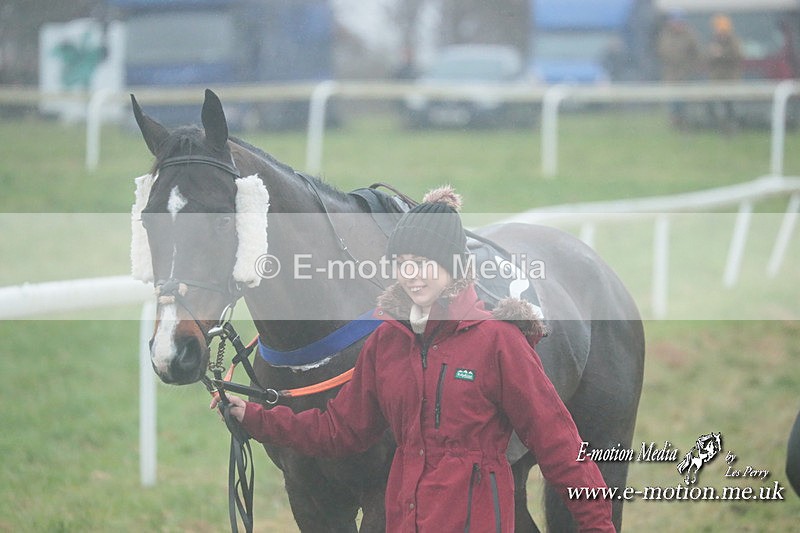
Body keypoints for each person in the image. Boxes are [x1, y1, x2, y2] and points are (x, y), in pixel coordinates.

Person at [213, 186, 614, 532]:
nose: (413, 276)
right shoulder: (387, 343)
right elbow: (339, 431)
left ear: (454, 265)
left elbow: (561, 447)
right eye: (404, 263)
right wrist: (254, 416)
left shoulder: (499, 342)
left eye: (424, 263)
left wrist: (597, 525)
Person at [657, 10, 701, 129]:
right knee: (673, 101)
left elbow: (696, 52)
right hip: (671, 75)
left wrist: (690, 65)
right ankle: (675, 123)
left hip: (685, 75)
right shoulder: (666, 35)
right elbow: (663, 52)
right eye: (674, 22)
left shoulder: (689, 34)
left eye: (679, 22)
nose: (677, 25)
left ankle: (684, 123)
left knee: (684, 101)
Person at [705, 14, 743, 131]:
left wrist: (721, 54)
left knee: (730, 106)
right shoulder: (713, 42)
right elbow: (706, 58)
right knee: (713, 105)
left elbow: (737, 56)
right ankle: (718, 127)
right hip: (716, 81)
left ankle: (732, 127)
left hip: (730, 80)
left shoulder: (734, 42)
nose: (720, 32)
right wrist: (712, 54)